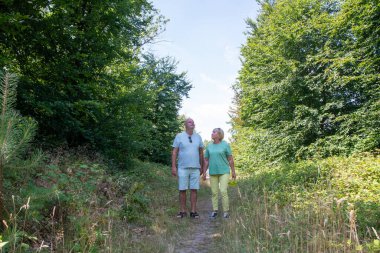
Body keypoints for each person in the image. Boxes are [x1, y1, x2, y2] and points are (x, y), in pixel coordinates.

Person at [172, 118, 204, 218]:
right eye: (190, 122)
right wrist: (173, 166)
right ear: (185, 124)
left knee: (194, 189)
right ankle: (182, 211)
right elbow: (174, 152)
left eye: (193, 122)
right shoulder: (179, 136)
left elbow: (201, 153)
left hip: (195, 168)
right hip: (182, 167)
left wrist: (202, 166)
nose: (192, 123)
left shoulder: (198, 137)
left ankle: (193, 211)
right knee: (182, 189)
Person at [203, 128, 236, 218]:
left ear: (219, 134)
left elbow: (230, 159)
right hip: (213, 172)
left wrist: (233, 171)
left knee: (223, 191)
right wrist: (204, 172)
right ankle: (215, 210)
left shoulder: (225, 145)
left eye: (214, 132)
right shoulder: (209, 146)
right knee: (214, 192)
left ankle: (226, 212)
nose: (212, 133)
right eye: (212, 131)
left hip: (224, 171)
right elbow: (206, 161)